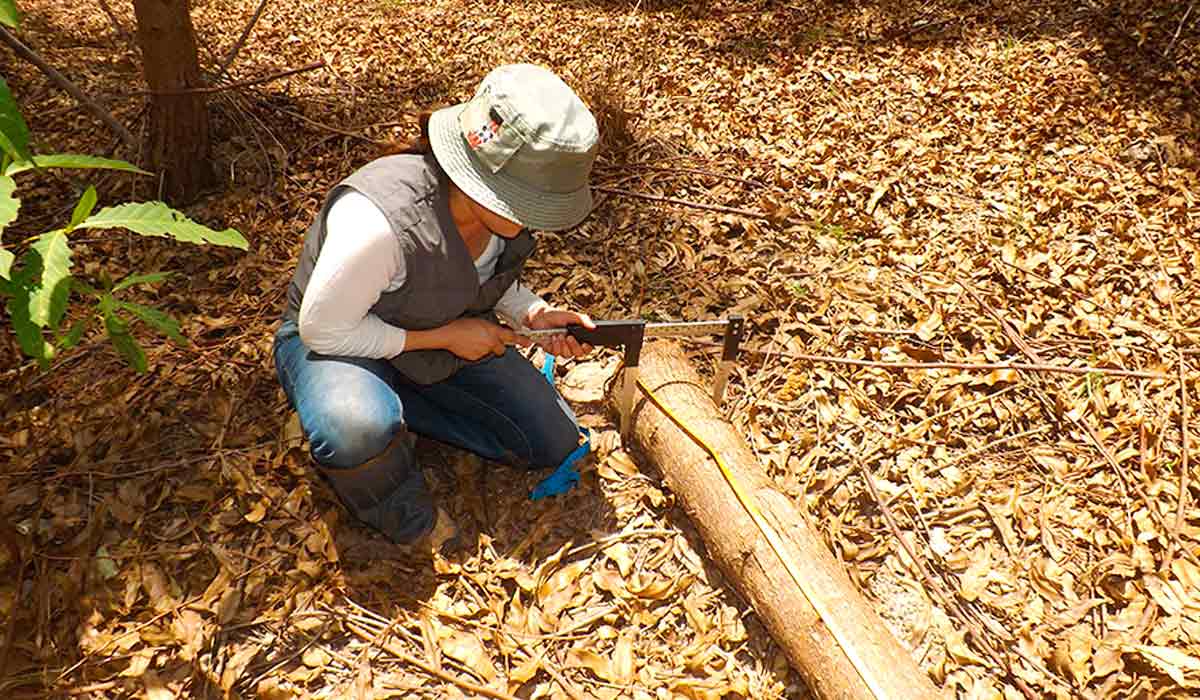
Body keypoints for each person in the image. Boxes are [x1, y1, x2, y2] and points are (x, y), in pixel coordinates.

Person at [274, 64, 599, 551]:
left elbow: (484, 277)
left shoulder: (497, 216)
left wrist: (532, 314)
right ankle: (399, 507)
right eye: (531, 201)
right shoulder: (379, 222)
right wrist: (446, 338)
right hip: (337, 340)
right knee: (354, 426)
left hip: (431, 331)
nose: (536, 217)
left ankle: (399, 405)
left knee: (550, 440)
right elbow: (321, 329)